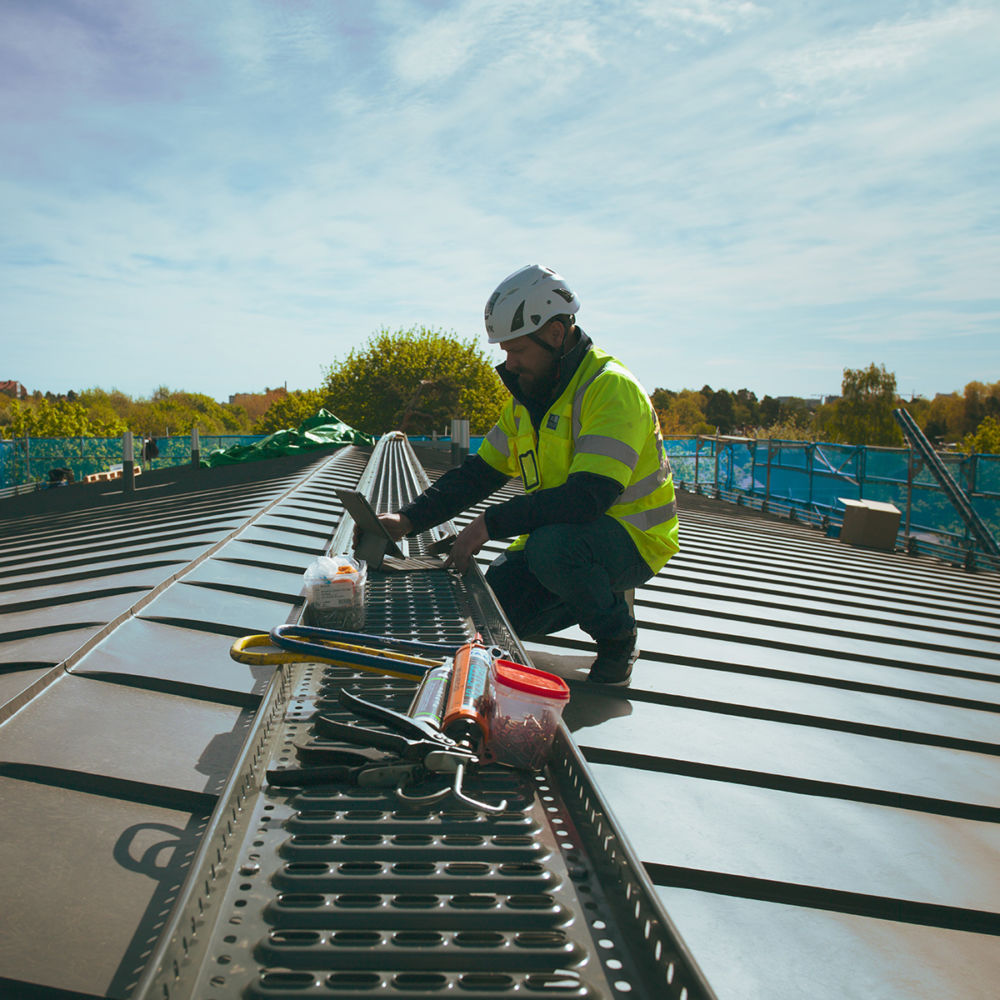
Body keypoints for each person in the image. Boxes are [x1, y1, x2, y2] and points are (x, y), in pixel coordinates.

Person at [374, 265, 679, 685]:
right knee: (498, 610)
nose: (509, 363)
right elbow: (479, 474)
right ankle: (587, 592)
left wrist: (488, 524)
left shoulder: (610, 389)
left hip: (631, 540)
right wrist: (406, 520)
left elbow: (588, 498)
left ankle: (618, 637)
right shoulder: (529, 398)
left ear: (556, 333)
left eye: (516, 350)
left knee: (553, 552)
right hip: (567, 534)